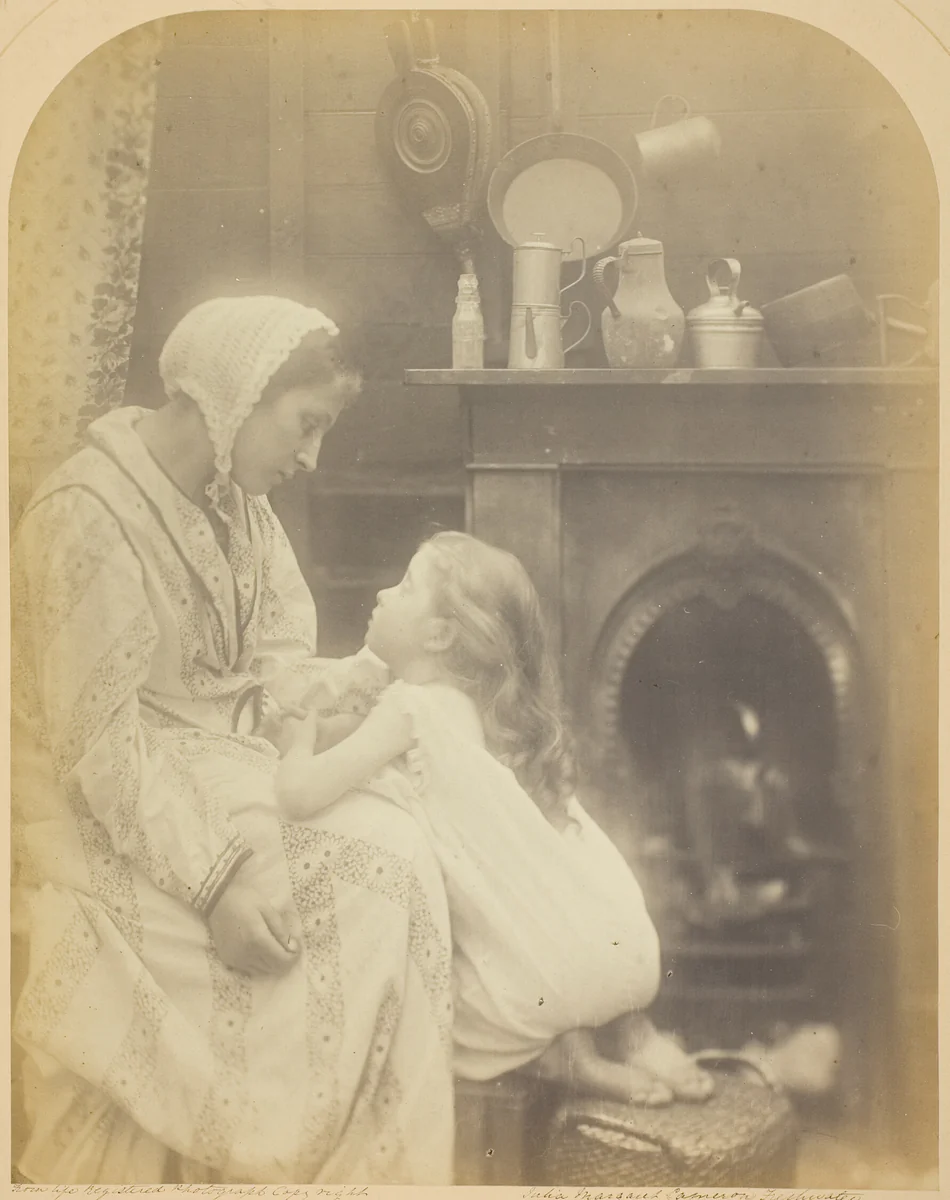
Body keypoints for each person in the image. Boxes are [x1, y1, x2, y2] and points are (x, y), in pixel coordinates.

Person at [11, 296, 457, 1184]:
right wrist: (217, 887)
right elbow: (99, 748)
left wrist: (358, 692)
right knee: (382, 870)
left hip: (214, 771)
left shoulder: (238, 510)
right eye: (305, 425)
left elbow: (275, 670)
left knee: (409, 828)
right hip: (88, 809)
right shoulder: (88, 516)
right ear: (236, 395)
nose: (311, 457)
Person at [276, 531, 715, 1106]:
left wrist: (296, 741)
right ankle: (623, 1040)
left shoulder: (411, 709)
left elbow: (301, 795)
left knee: (396, 1002)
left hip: (527, 989)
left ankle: (563, 1059)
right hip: (613, 955)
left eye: (404, 588)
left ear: (439, 634)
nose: (383, 595)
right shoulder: (476, 711)